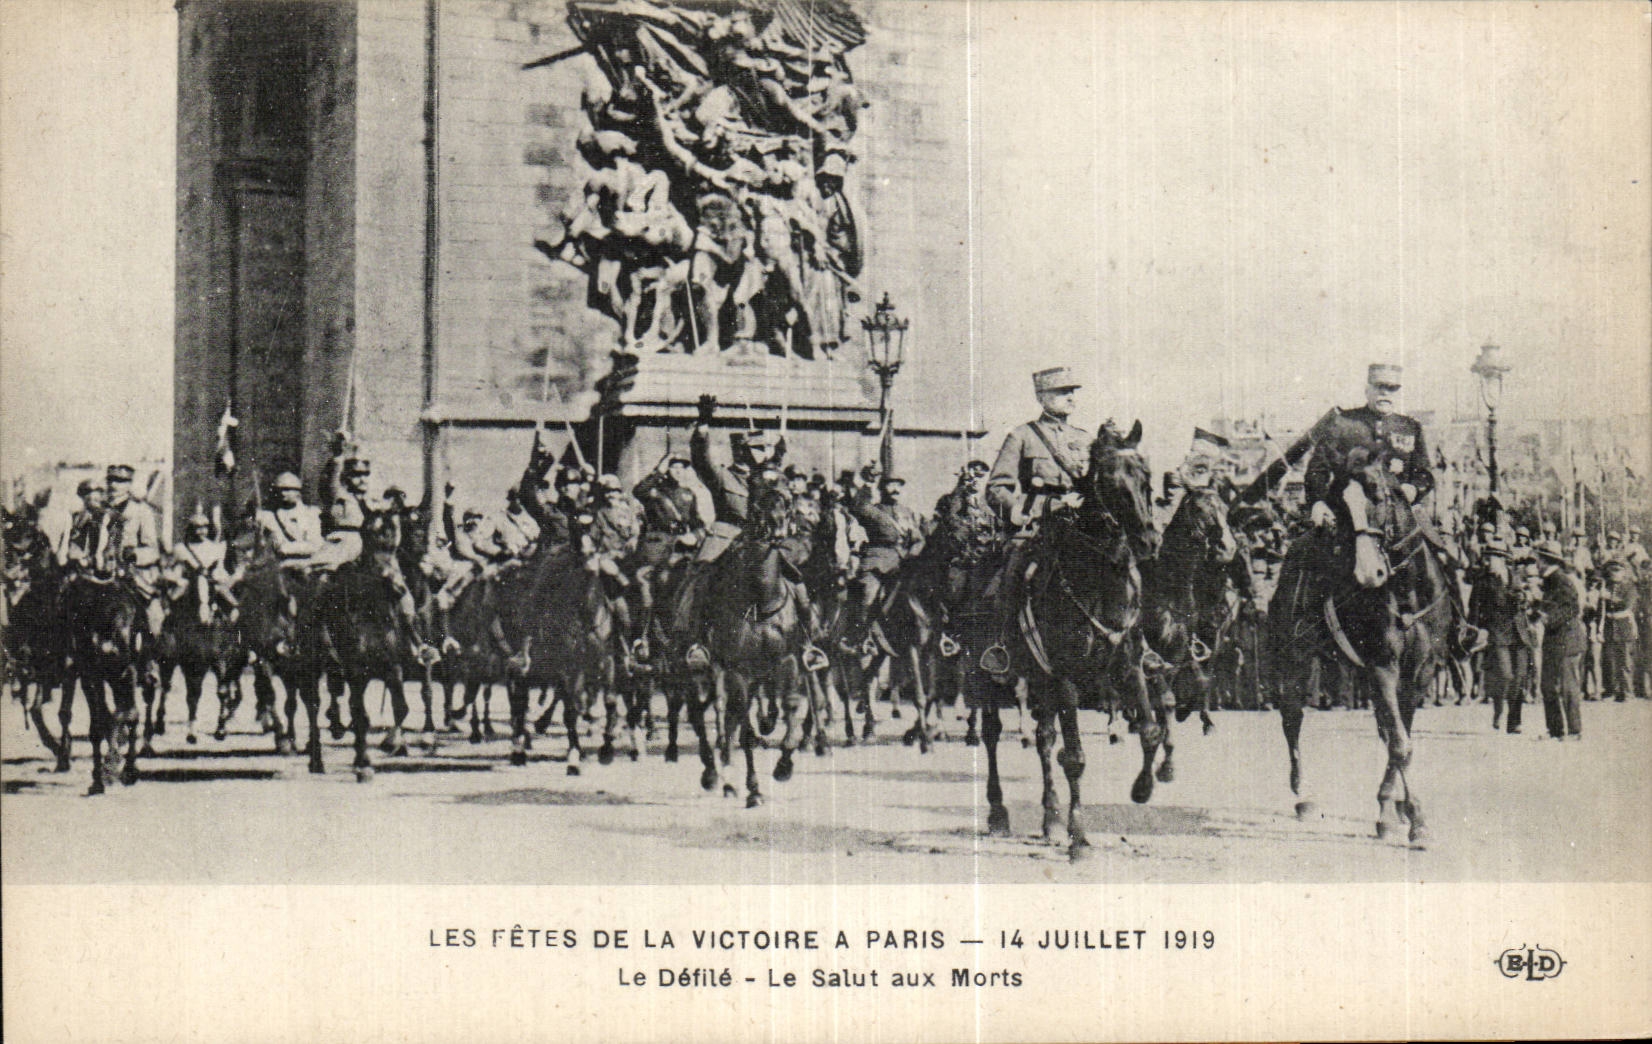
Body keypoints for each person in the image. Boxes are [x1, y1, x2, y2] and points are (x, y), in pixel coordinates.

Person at [1241, 363, 1478, 654]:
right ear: (1367, 388)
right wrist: (1317, 502)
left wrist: (1413, 488)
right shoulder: (1343, 424)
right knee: (1307, 554)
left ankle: (1459, 629)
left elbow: (1424, 473)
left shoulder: (1410, 428)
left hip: (1401, 516)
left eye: (1392, 389)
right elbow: (1317, 470)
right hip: (1349, 516)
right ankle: (1301, 629)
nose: (1385, 393)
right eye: (1380, 387)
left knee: (1442, 554)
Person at [981, 366, 1091, 675]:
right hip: (1037, 528)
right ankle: (1000, 645)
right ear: (1042, 397)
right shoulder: (1022, 436)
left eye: (1072, 392)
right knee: (1012, 570)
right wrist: (1034, 510)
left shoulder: (1086, 439)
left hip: (1080, 528)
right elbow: (997, 489)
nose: (1070, 397)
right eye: (1061, 392)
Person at [1469, 537, 1531, 733]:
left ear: (1503, 559)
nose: (1490, 561)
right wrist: (1478, 630)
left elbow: (1524, 599)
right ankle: (1498, 709)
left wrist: (1523, 598)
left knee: (1520, 677)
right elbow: (1474, 608)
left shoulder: (1515, 576)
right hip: (1497, 633)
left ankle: (1514, 721)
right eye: (1488, 557)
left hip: (1518, 632)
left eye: (1494, 557)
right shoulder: (1483, 581)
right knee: (1505, 675)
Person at [102, 464, 166, 638]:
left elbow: (152, 550)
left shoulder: (141, 511)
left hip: (132, 574)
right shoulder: (100, 512)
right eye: (111, 480)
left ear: (129, 484)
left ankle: (152, 656)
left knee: (154, 616)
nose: (114, 485)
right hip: (101, 573)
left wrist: (134, 554)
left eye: (121, 481)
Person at [1535, 539, 1585, 739]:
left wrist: (1547, 619)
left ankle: (1574, 730)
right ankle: (1555, 730)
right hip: (1554, 641)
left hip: (1567, 641)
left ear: (1545, 561)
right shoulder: (1549, 580)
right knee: (1547, 685)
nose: (1536, 563)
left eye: (1538, 559)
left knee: (1567, 686)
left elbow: (1571, 608)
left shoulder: (1561, 579)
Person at [168, 509, 237, 625]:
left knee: (227, 599)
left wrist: (218, 575)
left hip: (212, 585)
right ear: (191, 529)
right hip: (191, 587)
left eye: (204, 528)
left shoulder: (213, 547)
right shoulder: (182, 548)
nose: (202, 531)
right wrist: (178, 578)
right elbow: (171, 568)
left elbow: (220, 568)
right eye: (198, 528)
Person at [255, 471, 325, 566]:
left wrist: (286, 548)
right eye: (279, 490)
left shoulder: (311, 513)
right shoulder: (267, 516)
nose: (283, 493)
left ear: (298, 491)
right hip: (279, 565)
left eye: (288, 489)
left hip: (306, 564)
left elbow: (315, 545)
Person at [1601, 557, 1639, 701]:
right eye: (1612, 570)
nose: (1614, 573)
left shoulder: (1629, 587)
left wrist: (1609, 598)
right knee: (1610, 661)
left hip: (1624, 626)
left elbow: (1627, 604)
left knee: (1625, 662)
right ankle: (1612, 691)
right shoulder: (1607, 586)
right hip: (1610, 626)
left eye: (1617, 570)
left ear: (1624, 572)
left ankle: (1627, 692)